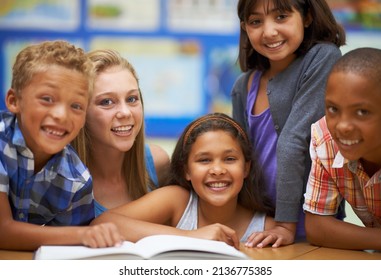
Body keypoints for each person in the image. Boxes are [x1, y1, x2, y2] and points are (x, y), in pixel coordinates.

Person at [231, 0, 346, 247]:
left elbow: (294, 138)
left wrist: (285, 224)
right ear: (245, 27)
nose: (269, 31)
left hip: (307, 220)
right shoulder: (244, 84)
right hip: (259, 225)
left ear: (306, 17)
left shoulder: (323, 57)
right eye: (255, 21)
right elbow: (237, 156)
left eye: (281, 17)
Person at [0, 40, 122, 251]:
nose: (61, 115)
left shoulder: (76, 181)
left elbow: (67, 254)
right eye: (47, 99)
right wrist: (83, 234)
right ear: (14, 101)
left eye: (76, 106)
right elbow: (3, 231)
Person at [92, 113, 276, 248]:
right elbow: (101, 224)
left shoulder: (265, 229)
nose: (218, 170)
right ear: (186, 170)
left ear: (246, 168)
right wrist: (190, 236)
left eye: (229, 159)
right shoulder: (177, 200)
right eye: (204, 160)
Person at [303, 47, 381, 252]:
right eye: (333, 109)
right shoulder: (325, 139)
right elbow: (317, 228)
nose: (342, 126)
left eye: (362, 112)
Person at [72, 49, 170, 217]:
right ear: (82, 111)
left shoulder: (157, 164)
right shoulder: (60, 176)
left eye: (132, 99)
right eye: (107, 102)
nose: (125, 112)